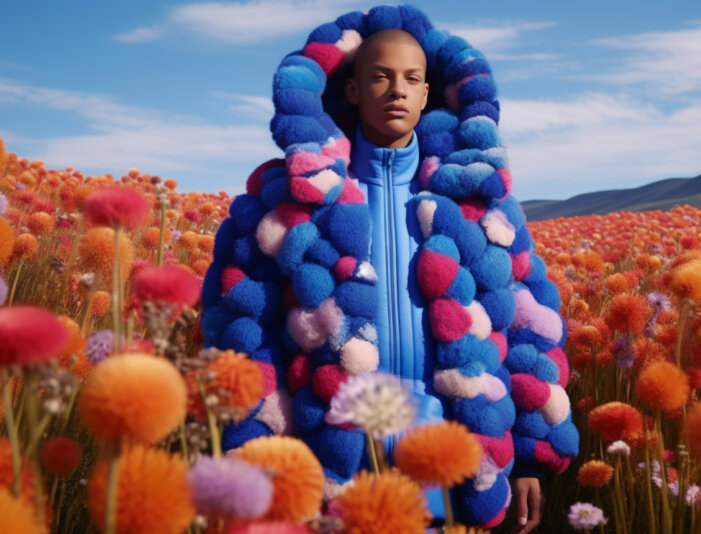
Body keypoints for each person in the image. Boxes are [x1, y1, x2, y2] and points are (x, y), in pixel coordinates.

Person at [201, 6, 578, 532]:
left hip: (455, 468)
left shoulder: (479, 204)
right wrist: (258, 457)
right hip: (331, 472)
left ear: (428, 94)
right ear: (352, 90)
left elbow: (523, 327)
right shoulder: (285, 201)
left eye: (411, 79)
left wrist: (535, 452)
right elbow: (241, 338)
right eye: (379, 77)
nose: (396, 90)